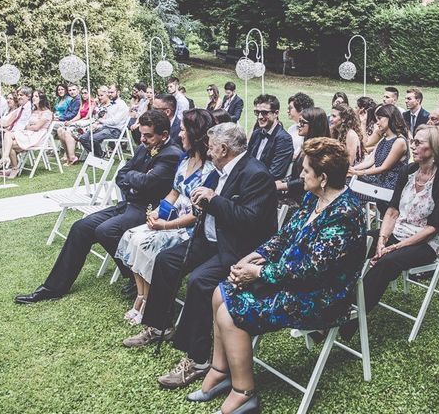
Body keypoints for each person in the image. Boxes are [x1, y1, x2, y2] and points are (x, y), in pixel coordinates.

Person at [188, 137, 366, 413]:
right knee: (218, 292)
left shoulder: (345, 213)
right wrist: (252, 256)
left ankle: (244, 391)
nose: (300, 175)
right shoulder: (313, 197)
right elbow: (284, 238)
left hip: (322, 295)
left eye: (306, 171)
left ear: (323, 178)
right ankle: (220, 370)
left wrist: (257, 273)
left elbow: (310, 270)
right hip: (288, 278)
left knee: (229, 312)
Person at [123, 123, 278, 393]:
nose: (208, 149)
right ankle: (159, 327)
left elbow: (250, 221)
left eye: (211, 145)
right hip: (209, 239)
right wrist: (199, 202)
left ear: (223, 148)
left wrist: (214, 200)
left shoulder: (256, 174)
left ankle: (198, 359)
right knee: (166, 261)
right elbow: (204, 200)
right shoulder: (217, 171)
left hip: (238, 248)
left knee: (199, 281)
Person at [14, 110, 182, 304]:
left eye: (148, 135)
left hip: (148, 210)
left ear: (164, 134)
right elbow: (122, 174)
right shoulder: (143, 148)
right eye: (142, 134)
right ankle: (53, 287)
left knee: (106, 230)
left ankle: (137, 275)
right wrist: (136, 178)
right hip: (129, 203)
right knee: (81, 227)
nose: (142, 139)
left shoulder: (171, 154)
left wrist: (135, 179)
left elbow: (147, 182)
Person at [339, 125, 439, 340]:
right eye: (414, 141)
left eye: (419, 142)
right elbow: (393, 210)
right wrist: (382, 241)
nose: (413, 145)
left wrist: (394, 247)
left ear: (435, 149)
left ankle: (350, 317)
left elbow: (433, 228)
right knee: (354, 241)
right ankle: (333, 299)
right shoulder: (409, 171)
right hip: (396, 231)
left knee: (387, 262)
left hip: (423, 243)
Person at [115, 109, 217, 325]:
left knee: (147, 244)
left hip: (189, 228)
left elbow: (197, 214)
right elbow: (173, 193)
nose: (179, 135)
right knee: (132, 236)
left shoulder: (210, 171)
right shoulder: (184, 158)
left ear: (195, 134)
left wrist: (165, 225)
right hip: (170, 220)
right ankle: (142, 295)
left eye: (182, 131)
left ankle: (149, 299)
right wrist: (156, 214)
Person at [350, 104, 409, 213]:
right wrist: (352, 169)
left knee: (349, 188)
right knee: (345, 181)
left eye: (379, 119)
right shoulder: (384, 139)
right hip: (378, 180)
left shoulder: (399, 141)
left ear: (390, 118)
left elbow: (383, 168)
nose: (377, 122)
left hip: (389, 186)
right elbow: (370, 161)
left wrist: (360, 173)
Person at [276, 107, 330, 209]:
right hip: (295, 193)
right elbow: (296, 175)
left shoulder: (318, 152)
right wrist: (282, 182)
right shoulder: (307, 145)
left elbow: (305, 182)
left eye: (302, 122)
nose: (298, 125)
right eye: (299, 121)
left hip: (305, 201)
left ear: (314, 126)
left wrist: (282, 185)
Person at [0, 92, 53, 178]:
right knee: (8, 136)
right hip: (29, 134)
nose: (33, 98)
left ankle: (13, 167)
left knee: (10, 144)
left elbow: (36, 127)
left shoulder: (47, 113)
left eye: (36, 96)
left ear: (42, 99)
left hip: (38, 137)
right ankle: (6, 159)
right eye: (33, 96)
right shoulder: (34, 111)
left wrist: (29, 127)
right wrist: (29, 127)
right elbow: (29, 125)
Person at [246, 94, 294, 180]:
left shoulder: (284, 139)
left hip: (264, 187)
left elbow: (275, 174)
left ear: (276, 113)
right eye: (257, 112)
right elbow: (247, 160)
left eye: (264, 113)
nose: (260, 117)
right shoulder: (256, 133)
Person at [78, 85, 127, 157]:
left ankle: (97, 156)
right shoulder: (110, 104)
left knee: (93, 138)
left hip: (115, 130)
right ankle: (99, 155)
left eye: (112, 92)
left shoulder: (121, 104)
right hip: (104, 127)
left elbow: (115, 121)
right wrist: (97, 124)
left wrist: (101, 121)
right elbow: (104, 117)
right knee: (83, 138)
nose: (110, 94)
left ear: (118, 92)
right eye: (109, 92)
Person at [57, 87, 94, 165]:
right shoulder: (82, 103)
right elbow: (78, 115)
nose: (84, 95)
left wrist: (74, 123)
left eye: (85, 93)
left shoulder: (92, 102)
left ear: (90, 93)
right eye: (82, 93)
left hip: (87, 124)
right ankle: (68, 156)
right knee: (60, 130)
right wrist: (71, 121)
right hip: (80, 122)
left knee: (67, 132)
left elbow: (87, 116)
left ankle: (72, 157)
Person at [287, 92, 314, 158]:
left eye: (290, 108)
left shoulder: (310, 130)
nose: (287, 111)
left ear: (301, 109)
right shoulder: (291, 129)